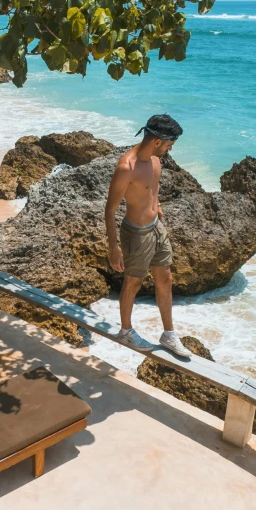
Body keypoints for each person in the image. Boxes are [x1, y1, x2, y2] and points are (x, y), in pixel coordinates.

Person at [105, 114, 191, 357]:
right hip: (136, 233)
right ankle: (126, 331)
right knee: (133, 282)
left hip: (156, 227)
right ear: (156, 141)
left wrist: (158, 205)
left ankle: (169, 334)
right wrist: (114, 248)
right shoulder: (126, 167)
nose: (170, 149)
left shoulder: (155, 160)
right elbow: (110, 210)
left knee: (165, 279)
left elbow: (153, 189)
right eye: (169, 144)